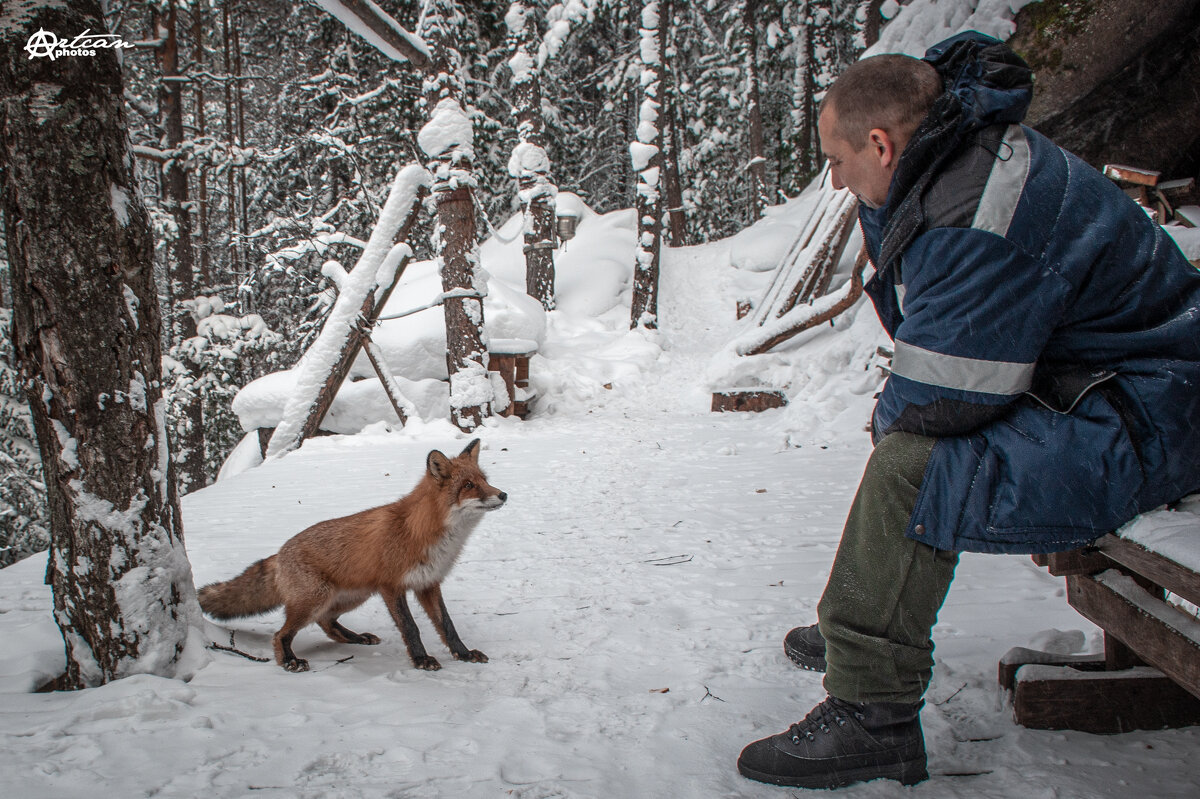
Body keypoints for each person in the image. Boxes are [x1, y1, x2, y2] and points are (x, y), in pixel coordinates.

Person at [736, 31, 1200, 790]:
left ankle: (871, 713)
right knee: (909, 439)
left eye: (837, 162)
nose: (837, 180)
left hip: (1153, 412)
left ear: (881, 145)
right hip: (1119, 387)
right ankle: (864, 621)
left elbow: (948, 392)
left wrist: (898, 416)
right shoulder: (957, 161)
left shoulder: (980, 205)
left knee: (916, 466)